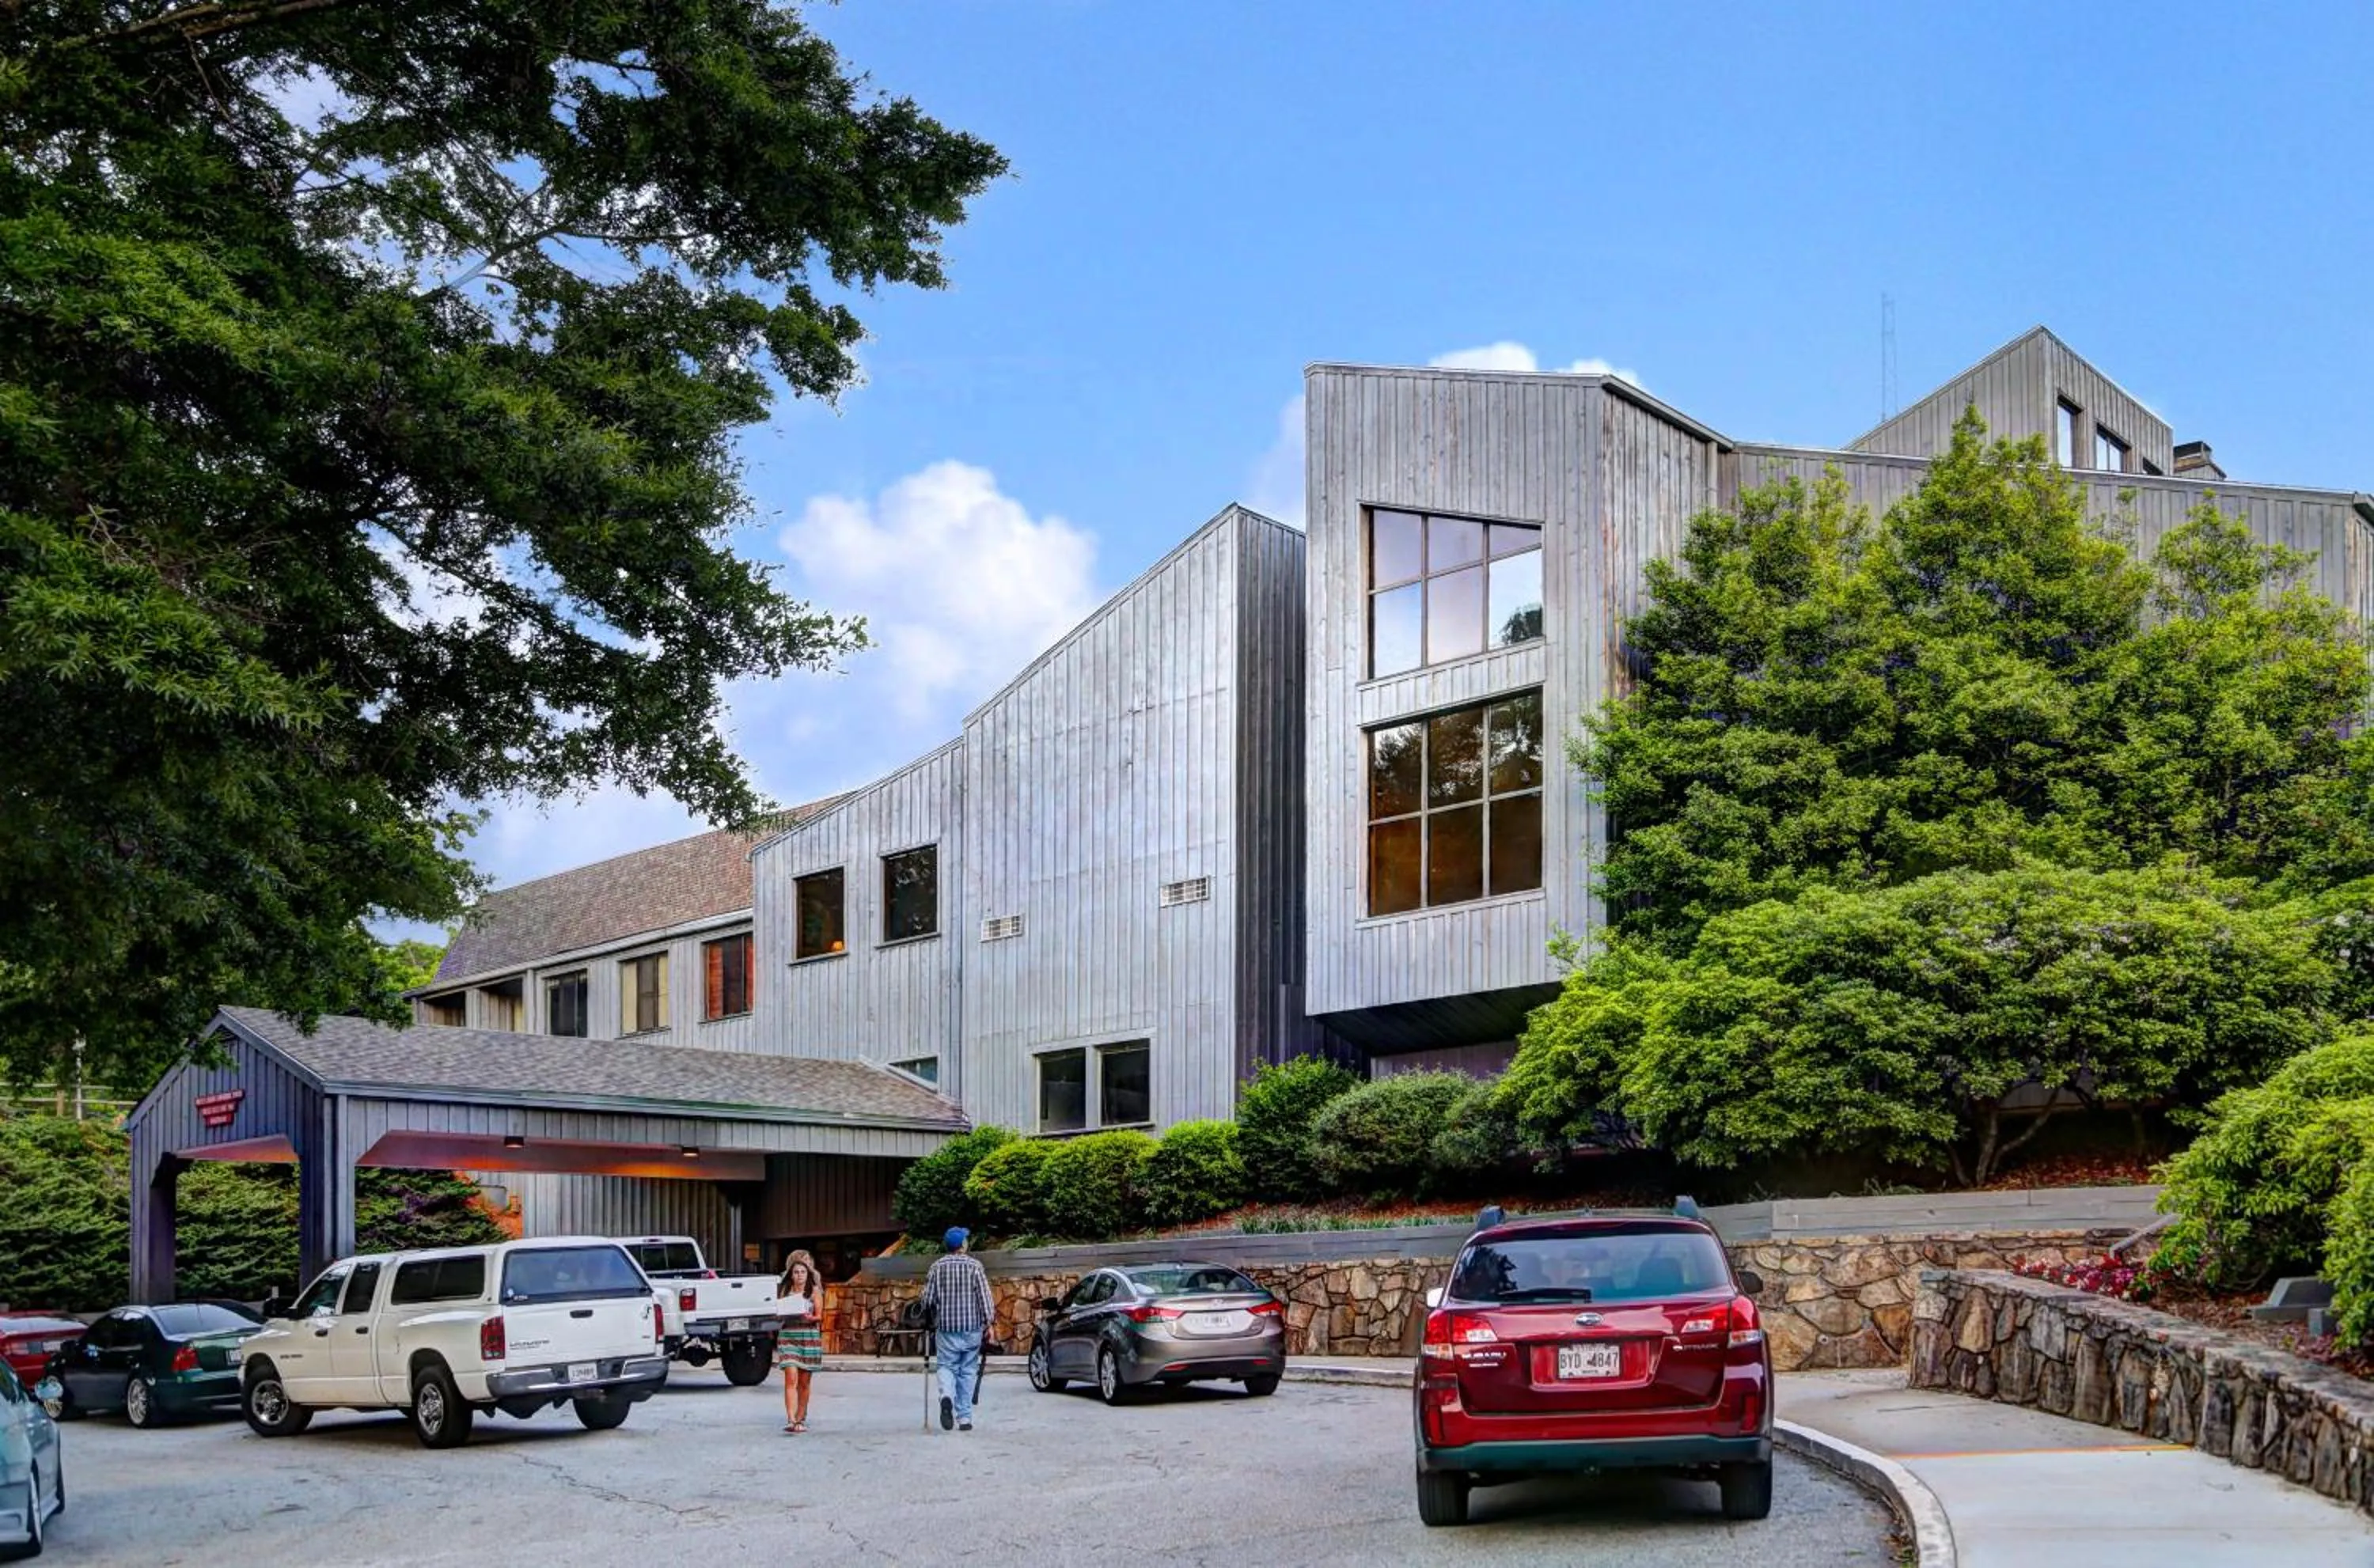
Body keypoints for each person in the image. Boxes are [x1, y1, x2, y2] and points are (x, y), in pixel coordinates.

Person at [920, 1226, 994, 1432]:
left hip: (947, 1328)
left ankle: (946, 1397)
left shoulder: (937, 1267)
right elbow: (985, 1299)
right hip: (972, 1328)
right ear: (962, 1245)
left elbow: (927, 1300)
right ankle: (965, 1418)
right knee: (968, 1371)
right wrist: (989, 1323)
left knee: (946, 1366)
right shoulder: (975, 1266)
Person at [773, 1250, 825, 1434]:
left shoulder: (814, 1291)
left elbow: (819, 1317)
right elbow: (778, 1313)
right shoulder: (785, 1291)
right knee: (791, 1376)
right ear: (791, 1273)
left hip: (808, 1335)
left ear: (808, 1273)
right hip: (789, 1335)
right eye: (796, 1272)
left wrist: (809, 1317)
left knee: (804, 1381)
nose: (799, 1275)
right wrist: (781, 1313)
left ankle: (801, 1418)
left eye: (803, 1272)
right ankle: (791, 1418)